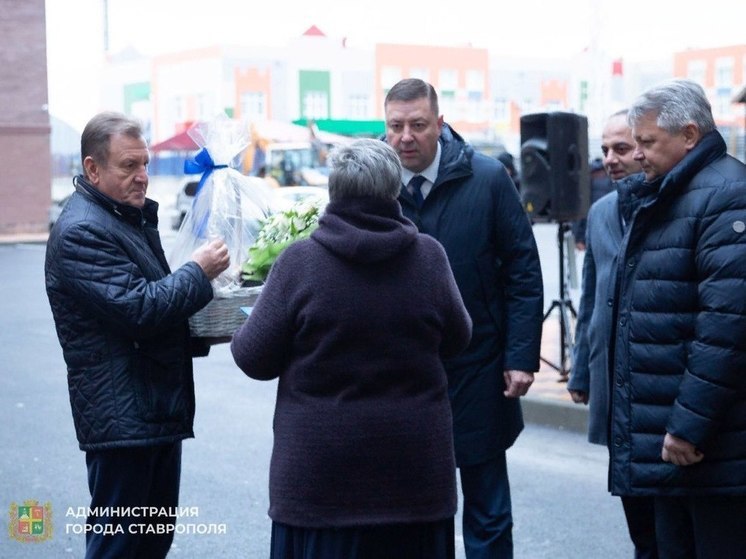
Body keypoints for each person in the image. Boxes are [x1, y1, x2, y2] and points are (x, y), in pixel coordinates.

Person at [231, 138, 473, 559]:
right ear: (394, 191)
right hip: (414, 480)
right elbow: (459, 338)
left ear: (333, 192)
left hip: (321, 485)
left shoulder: (299, 262)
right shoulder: (429, 258)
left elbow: (252, 358)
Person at [45, 112, 230, 558]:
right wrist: (198, 273)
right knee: (120, 548)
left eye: (145, 164)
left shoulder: (123, 218)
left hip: (151, 410)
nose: (143, 177)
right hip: (124, 421)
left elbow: (158, 310)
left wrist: (214, 322)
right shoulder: (82, 231)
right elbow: (140, 309)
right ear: (93, 169)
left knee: (150, 545)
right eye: (129, 166)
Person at [383, 78, 544, 558]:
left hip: (479, 367)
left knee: (487, 508)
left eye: (418, 125)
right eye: (395, 126)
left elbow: (523, 272)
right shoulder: (373, 181)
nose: (405, 137)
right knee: (413, 510)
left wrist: (521, 357)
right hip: (399, 373)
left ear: (441, 124)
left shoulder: (488, 178)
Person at [608, 79, 746, 558]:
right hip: (673, 442)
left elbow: (727, 326)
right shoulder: (666, 193)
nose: (637, 154)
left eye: (647, 142)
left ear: (689, 135)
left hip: (708, 446)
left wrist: (688, 426)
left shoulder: (727, 194)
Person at [567, 109, 658, 558]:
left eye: (620, 148)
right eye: (604, 149)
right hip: (611, 384)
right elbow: (590, 300)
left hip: (654, 390)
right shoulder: (601, 212)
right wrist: (581, 370)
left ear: (645, 148)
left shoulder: (670, 208)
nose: (610, 159)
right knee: (637, 523)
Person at [572, 157, 614, 250]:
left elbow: (580, 214)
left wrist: (578, 238)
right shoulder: (612, 178)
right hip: (609, 230)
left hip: (592, 230)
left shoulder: (586, 181)